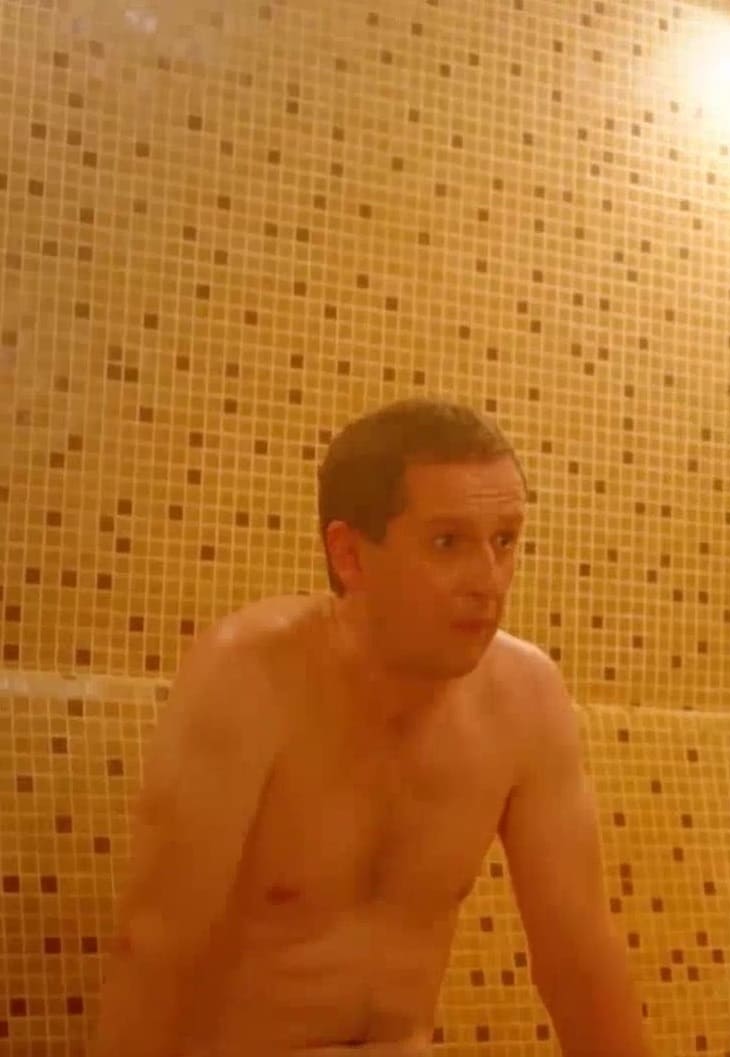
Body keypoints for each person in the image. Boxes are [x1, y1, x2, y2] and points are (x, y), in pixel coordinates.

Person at [93, 398, 652, 1057]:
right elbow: (154, 948)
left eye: (504, 540)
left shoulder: (526, 698)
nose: (488, 580)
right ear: (350, 555)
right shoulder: (249, 678)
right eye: (447, 543)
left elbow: (578, 957)